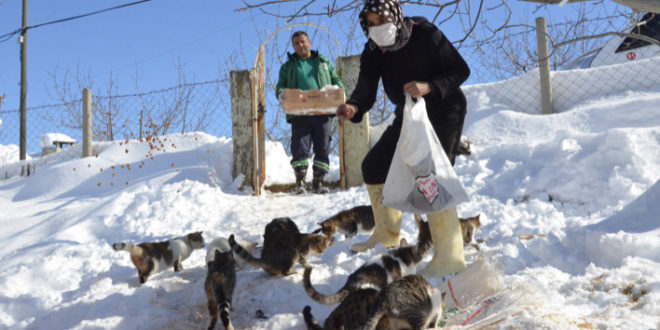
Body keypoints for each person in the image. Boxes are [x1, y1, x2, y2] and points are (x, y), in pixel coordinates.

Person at [336, 0, 470, 279]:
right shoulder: (374, 50)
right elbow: (365, 88)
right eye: (370, 24)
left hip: (444, 110)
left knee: (432, 178)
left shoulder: (425, 33)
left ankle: (449, 255)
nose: (376, 29)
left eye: (380, 21)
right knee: (374, 166)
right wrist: (354, 106)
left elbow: (460, 69)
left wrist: (429, 86)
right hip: (408, 113)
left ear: (394, 16)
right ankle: (387, 234)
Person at [276, 31, 345, 194]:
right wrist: (281, 95)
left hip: (323, 111)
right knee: (300, 146)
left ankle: (318, 183)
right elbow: (280, 86)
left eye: (302, 42)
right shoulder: (288, 67)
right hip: (300, 113)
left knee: (323, 145)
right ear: (293, 47)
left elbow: (336, 80)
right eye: (296, 44)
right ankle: (300, 182)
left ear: (309, 42)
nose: (300, 46)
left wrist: (336, 90)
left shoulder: (323, 62)